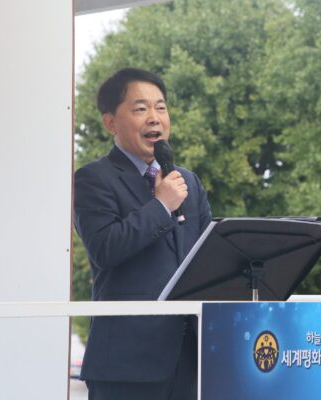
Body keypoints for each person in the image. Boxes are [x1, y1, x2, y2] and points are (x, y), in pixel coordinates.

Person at [74, 68, 212, 400]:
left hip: (190, 360)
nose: (154, 117)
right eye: (141, 108)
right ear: (111, 123)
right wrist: (161, 205)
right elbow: (105, 248)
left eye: (161, 107)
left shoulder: (187, 182)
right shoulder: (93, 179)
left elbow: (208, 255)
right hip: (126, 365)